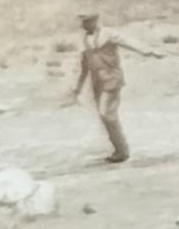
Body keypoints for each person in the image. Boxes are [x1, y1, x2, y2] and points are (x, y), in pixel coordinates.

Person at [67, 12, 161, 164]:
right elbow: (84, 65)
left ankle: (122, 150)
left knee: (106, 114)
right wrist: (77, 86)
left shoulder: (108, 34)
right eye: (82, 22)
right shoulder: (84, 40)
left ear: (95, 21)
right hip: (97, 83)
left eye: (87, 21)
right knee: (106, 116)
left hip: (112, 79)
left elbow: (128, 42)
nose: (83, 25)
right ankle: (120, 150)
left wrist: (148, 51)